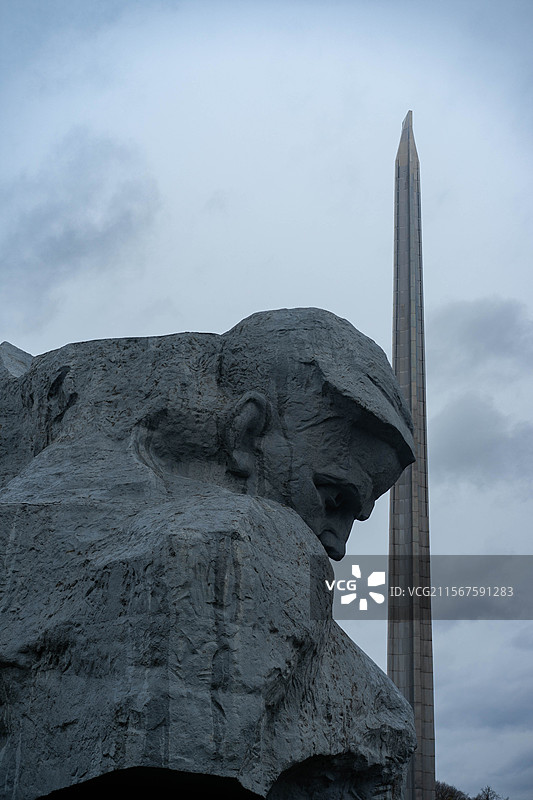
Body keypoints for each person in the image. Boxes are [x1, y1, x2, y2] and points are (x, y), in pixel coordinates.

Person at [0, 309, 415, 798]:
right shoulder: (240, 540)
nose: (338, 547)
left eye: (355, 516)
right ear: (247, 434)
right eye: (334, 499)